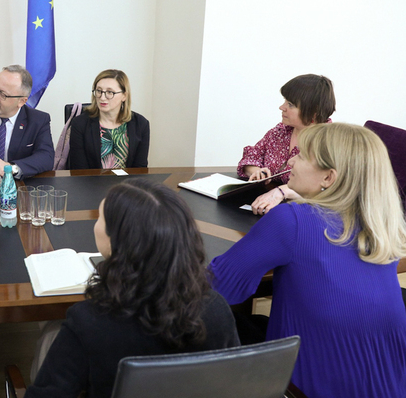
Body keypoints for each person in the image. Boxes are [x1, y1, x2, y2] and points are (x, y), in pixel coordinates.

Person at [212, 123, 406, 398]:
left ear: (328, 178)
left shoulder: (292, 221)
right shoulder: (382, 227)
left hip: (300, 388)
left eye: (302, 156)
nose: (291, 160)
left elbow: (217, 287)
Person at [27, 178, 239, 398]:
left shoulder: (88, 323)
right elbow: (234, 385)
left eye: (100, 217)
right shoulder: (217, 310)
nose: (95, 223)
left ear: (117, 241)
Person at [236, 73, 335, 215]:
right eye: (285, 101)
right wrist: (255, 171)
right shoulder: (281, 130)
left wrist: (283, 191)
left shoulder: (330, 142)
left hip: (304, 216)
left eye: (290, 104)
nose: (281, 107)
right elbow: (253, 154)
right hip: (265, 206)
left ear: (313, 112)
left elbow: (329, 190)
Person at [69, 69, 150, 169]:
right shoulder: (80, 123)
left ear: (124, 95)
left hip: (127, 183)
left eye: (110, 92)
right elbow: (78, 169)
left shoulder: (141, 124)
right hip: (91, 183)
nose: (102, 98)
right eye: (99, 91)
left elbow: (140, 168)